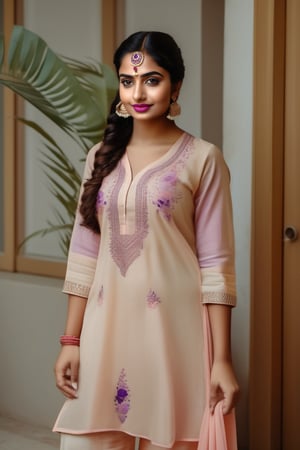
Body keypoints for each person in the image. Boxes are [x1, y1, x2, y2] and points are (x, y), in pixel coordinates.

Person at [53, 31, 239, 450]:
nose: (138, 92)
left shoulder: (202, 158)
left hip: (175, 330)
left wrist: (222, 360)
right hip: (105, 327)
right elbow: (83, 254)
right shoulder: (101, 156)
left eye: (152, 80)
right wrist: (70, 341)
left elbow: (217, 264)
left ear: (176, 85)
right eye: (127, 80)